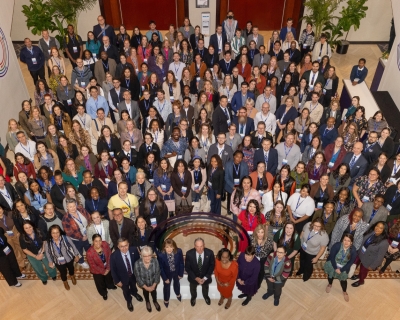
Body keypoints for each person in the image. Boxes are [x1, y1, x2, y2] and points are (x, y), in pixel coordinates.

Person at [110, 237, 143, 312]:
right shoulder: (114, 256)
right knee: (126, 290)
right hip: (122, 278)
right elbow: (113, 270)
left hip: (133, 275)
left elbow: (138, 262)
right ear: (118, 246)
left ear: (128, 244)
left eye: (126, 245)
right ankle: (129, 300)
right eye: (121, 246)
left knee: (133, 286)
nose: (124, 248)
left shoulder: (134, 250)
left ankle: (135, 293)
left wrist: (139, 274)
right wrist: (117, 281)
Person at [351, 221, 388, 287]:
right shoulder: (371, 232)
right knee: (355, 264)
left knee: (363, 271)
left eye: (380, 228)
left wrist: (372, 266)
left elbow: (380, 257)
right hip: (361, 253)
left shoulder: (384, 243)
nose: (377, 228)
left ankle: (361, 281)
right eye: (377, 226)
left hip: (369, 259)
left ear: (384, 230)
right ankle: (358, 275)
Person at [19, 220, 57, 284]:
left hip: (43, 250)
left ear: (33, 226)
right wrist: (35, 256)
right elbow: (24, 249)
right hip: (32, 254)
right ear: (23, 229)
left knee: (49, 263)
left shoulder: (39, 231)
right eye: (26, 228)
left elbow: (44, 241)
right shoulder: (22, 237)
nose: (29, 229)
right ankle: (43, 278)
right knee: (38, 268)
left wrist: (42, 252)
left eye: (30, 227)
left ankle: (53, 274)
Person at [44, 225, 80, 290]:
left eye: (57, 232)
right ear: (50, 233)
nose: (56, 235)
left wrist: (76, 254)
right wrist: (50, 261)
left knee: (71, 268)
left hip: (69, 258)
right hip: (58, 261)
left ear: (60, 232)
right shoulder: (48, 243)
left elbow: (73, 246)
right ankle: (65, 281)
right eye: (53, 233)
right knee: (63, 272)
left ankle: (72, 276)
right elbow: (48, 253)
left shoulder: (66, 238)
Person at [324, 233, 357, 302]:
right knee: (330, 276)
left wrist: (341, 270)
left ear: (351, 242)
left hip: (344, 267)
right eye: (345, 240)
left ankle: (344, 291)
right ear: (342, 240)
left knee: (343, 281)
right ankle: (330, 284)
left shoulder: (353, 250)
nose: (346, 242)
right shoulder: (337, 245)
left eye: (348, 241)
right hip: (333, 264)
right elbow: (332, 257)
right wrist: (335, 268)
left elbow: (350, 263)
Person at [185, 237, 215, 306]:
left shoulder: (210, 253)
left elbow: (212, 266)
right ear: (194, 246)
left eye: (201, 246)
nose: (200, 249)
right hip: (193, 277)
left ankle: (206, 297)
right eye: (197, 247)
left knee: (205, 288)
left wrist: (205, 278)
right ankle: (193, 297)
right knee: (192, 288)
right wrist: (195, 278)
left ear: (204, 245)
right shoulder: (189, 254)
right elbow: (187, 268)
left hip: (205, 277)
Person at [62, 199, 91, 268]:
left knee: (89, 248)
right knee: (79, 250)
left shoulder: (81, 209)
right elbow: (69, 233)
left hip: (87, 235)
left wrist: (89, 232)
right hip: (76, 239)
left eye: (74, 206)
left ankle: (91, 258)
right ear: (67, 207)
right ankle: (81, 261)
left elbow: (89, 218)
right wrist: (82, 237)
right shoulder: (65, 219)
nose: (73, 208)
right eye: (70, 207)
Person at [156, 239, 184, 308]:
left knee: (177, 283)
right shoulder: (160, 255)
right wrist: (165, 278)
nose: (169, 249)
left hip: (176, 272)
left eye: (171, 247)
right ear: (164, 247)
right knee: (166, 287)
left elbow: (181, 263)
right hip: (167, 273)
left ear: (174, 247)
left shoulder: (179, 251)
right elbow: (160, 268)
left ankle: (178, 293)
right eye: (167, 247)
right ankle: (166, 299)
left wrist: (180, 273)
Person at [86, 234, 116, 300]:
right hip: (97, 270)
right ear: (93, 241)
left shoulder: (105, 244)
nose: (98, 243)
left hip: (107, 266)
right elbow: (93, 265)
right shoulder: (89, 252)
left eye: (100, 240)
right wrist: (103, 271)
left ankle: (110, 286)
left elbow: (109, 255)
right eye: (96, 241)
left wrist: (108, 268)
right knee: (100, 282)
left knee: (109, 278)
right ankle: (104, 293)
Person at [134, 246, 161, 312]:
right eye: (145, 256)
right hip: (144, 284)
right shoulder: (137, 263)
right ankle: (147, 302)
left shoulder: (155, 261)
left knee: (154, 292)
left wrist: (154, 285)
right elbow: (138, 277)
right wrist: (146, 287)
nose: (148, 257)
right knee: (145, 293)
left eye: (149, 255)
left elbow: (157, 273)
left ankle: (155, 301)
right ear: (142, 255)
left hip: (153, 282)